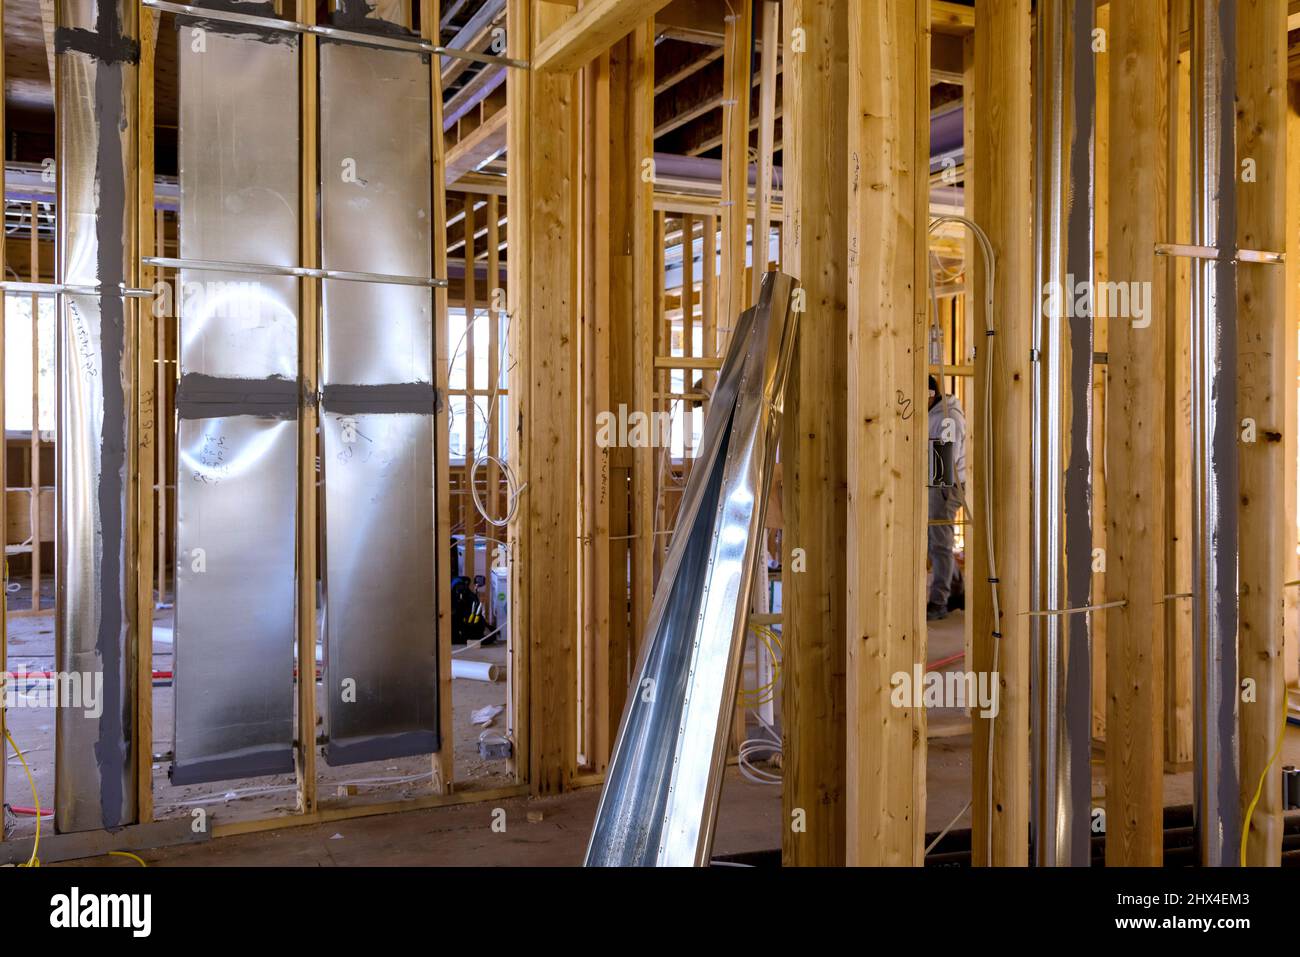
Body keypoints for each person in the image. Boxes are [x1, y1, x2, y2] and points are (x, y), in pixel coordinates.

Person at [927, 375, 967, 621]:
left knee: (939, 543)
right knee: (935, 541)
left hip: (944, 485)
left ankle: (939, 602)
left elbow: (945, 463)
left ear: (930, 393)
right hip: (935, 482)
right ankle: (957, 591)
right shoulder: (932, 413)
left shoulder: (948, 418)